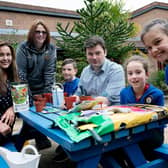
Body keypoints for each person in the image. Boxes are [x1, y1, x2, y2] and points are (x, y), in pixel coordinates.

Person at [16, 20, 56, 151]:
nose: (41, 35)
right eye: (37, 32)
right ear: (32, 33)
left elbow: (49, 73)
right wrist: (30, 97)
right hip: (26, 87)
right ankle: (35, 139)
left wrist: (45, 95)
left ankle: (36, 139)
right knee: (29, 115)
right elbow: (21, 74)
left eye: (44, 32)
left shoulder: (51, 49)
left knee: (41, 113)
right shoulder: (23, 48)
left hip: (43, 87)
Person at [120, 55, 164, 162]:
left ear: (147, 74)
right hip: (130, 133)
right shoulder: (124, 93)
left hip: (152, 135)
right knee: (113, 151)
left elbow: (161, 122)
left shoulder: (157, 94)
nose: (134, 76)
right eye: (130, 74)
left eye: (138, 72)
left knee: (130, 149)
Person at [75, 35, 125, 105]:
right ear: (86, 55)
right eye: (90, 54)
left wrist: (85, 102)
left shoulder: (116, 70)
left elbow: (108, 98)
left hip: (111, 112)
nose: (94, 57)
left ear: (105, 52)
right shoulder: (85, 71)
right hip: (88, 111)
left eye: (98, 53)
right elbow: (79, 93)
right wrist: (74, 98)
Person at [0, 41, 19, 145]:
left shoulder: (16, 75)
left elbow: (27, 98)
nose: (5, 58)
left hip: (7, 129)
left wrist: (13, 108)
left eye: (8, 54)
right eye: (1, 55)